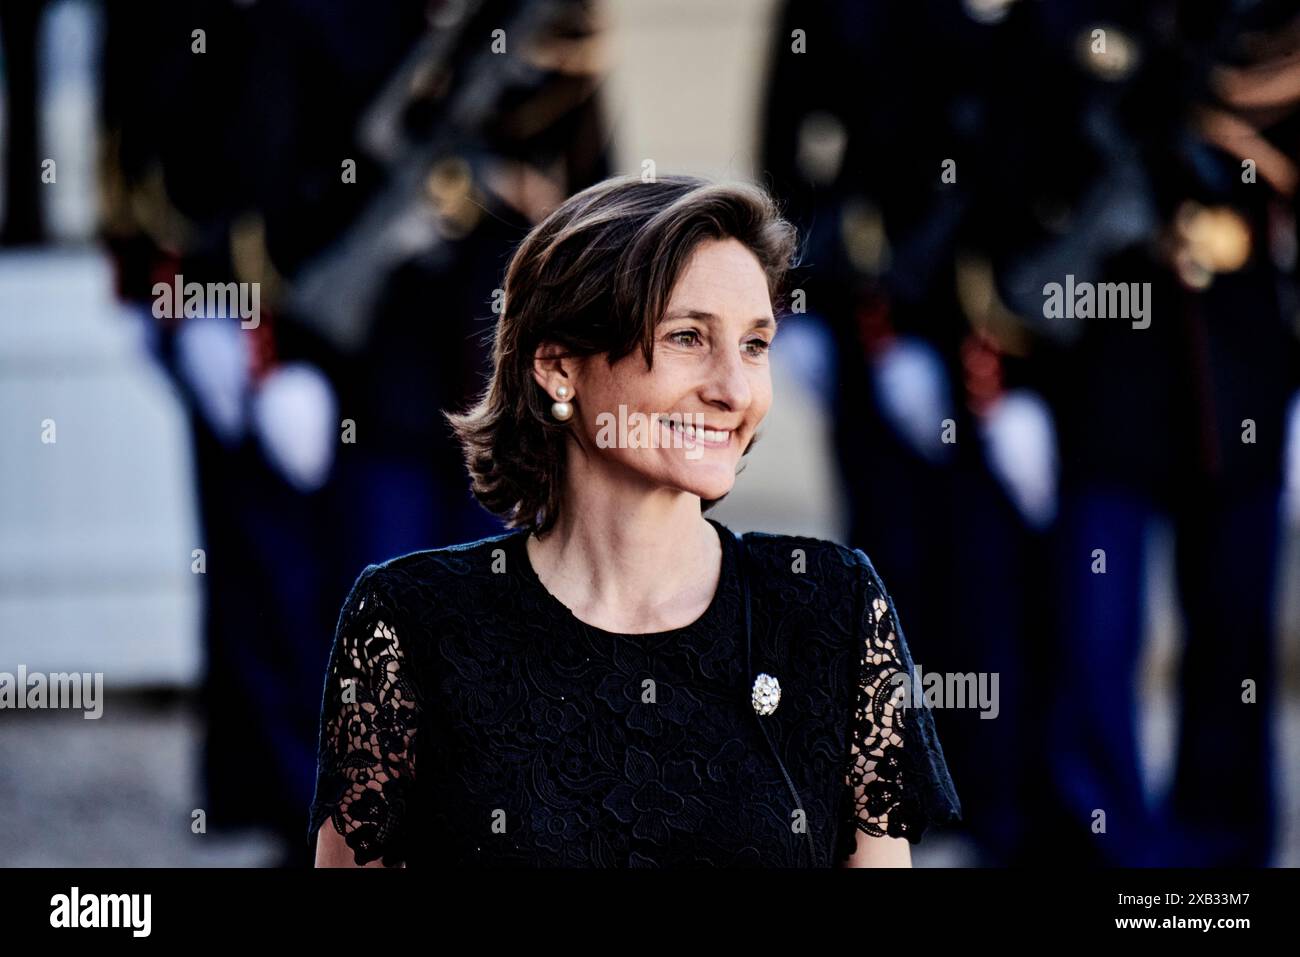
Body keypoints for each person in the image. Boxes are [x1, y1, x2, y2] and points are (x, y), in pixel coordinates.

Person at [306, 174, 962, 867]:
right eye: (687, 337)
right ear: (559, 367)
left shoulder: (831, 606)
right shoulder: (412, 622)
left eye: (754, 345)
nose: (734, 389)